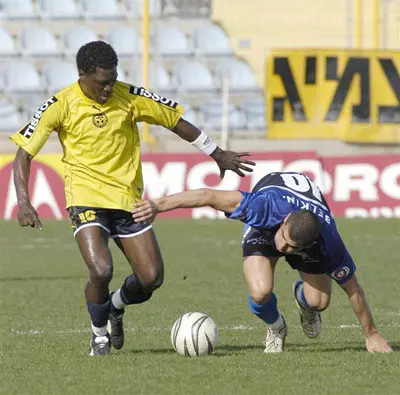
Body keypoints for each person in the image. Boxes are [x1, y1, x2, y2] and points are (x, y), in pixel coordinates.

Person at [10, 41, 255, 356]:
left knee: (151, 278)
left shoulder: (130, 96)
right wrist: (24, 200)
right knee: (101, 270)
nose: (109, 87)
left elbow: (175, 122)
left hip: (128, 200)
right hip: (85, 198)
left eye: (113, 79)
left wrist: (217, 153)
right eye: (102, 82)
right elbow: (24, 153)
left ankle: (114, 305)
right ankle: (99, 334)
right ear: (82, 75)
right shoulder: (61, 104)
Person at [132, 171, 393, 354]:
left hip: (307, 220)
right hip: (270, 213)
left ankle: (302, 300)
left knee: (319, 302)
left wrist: (371, 333)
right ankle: (276, 328)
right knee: (260, 292)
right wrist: (158, 204)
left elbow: (353, 289)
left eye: (292, 248)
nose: (283, 248)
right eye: (284, 239)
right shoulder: (263, 207)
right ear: (285, 220)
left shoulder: (329, 244)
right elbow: (207, 195)